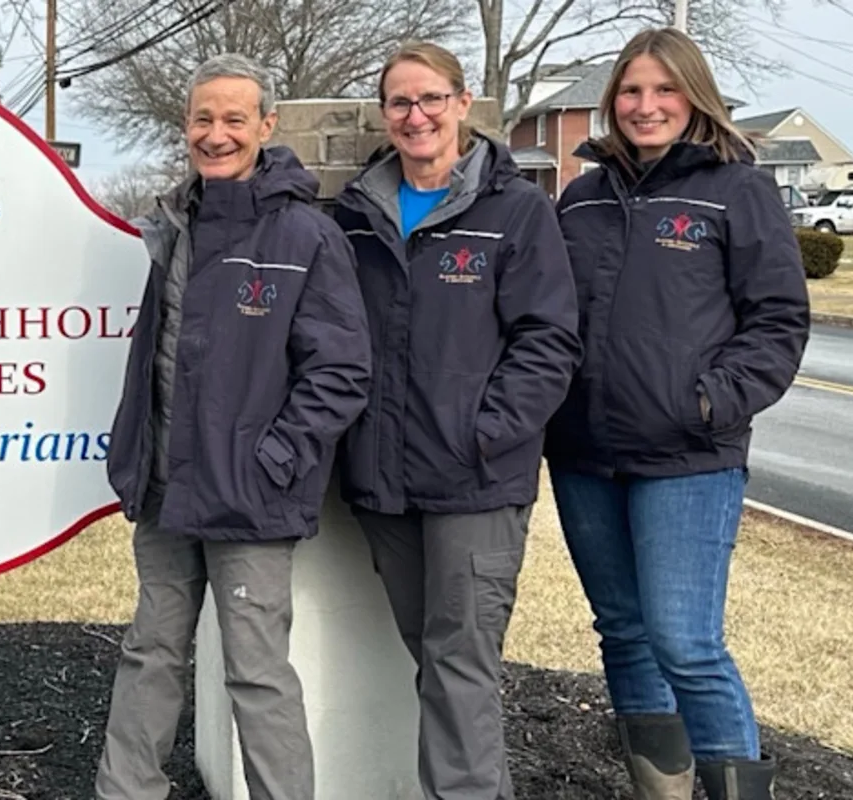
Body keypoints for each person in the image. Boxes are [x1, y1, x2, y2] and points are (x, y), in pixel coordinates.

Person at [92, 53, 372, 800]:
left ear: (266, 126)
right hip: (165, 489)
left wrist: (273, 457)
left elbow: (342, 372)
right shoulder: (176, 224)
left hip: (250, 498)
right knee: (150, 651)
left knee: (256, 672)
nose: (215, 134)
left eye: (233, 119)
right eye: (202, 119)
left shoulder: (305, 237)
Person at [547, 27, 810, 800]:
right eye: (631, 91)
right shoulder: (583, 197)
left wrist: (708, 401)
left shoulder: (737, 190)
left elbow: (778, 322)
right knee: (624, 634)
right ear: (612, 101)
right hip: (584, 453)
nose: (646, 106)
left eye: (664, 90)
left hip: (688, 459)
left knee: (685, 642)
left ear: (694, 96)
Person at [331, 41, 581, 800]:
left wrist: (485, 431)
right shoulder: (354, 214)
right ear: (385, 114)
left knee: (460, 663)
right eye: (402, 103)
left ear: (462, 103)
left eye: (432, 99)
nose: (418, 117)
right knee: (434, 658)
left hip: (476, 480)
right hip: (385, 481)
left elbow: (550, 340)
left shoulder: (516, 211)